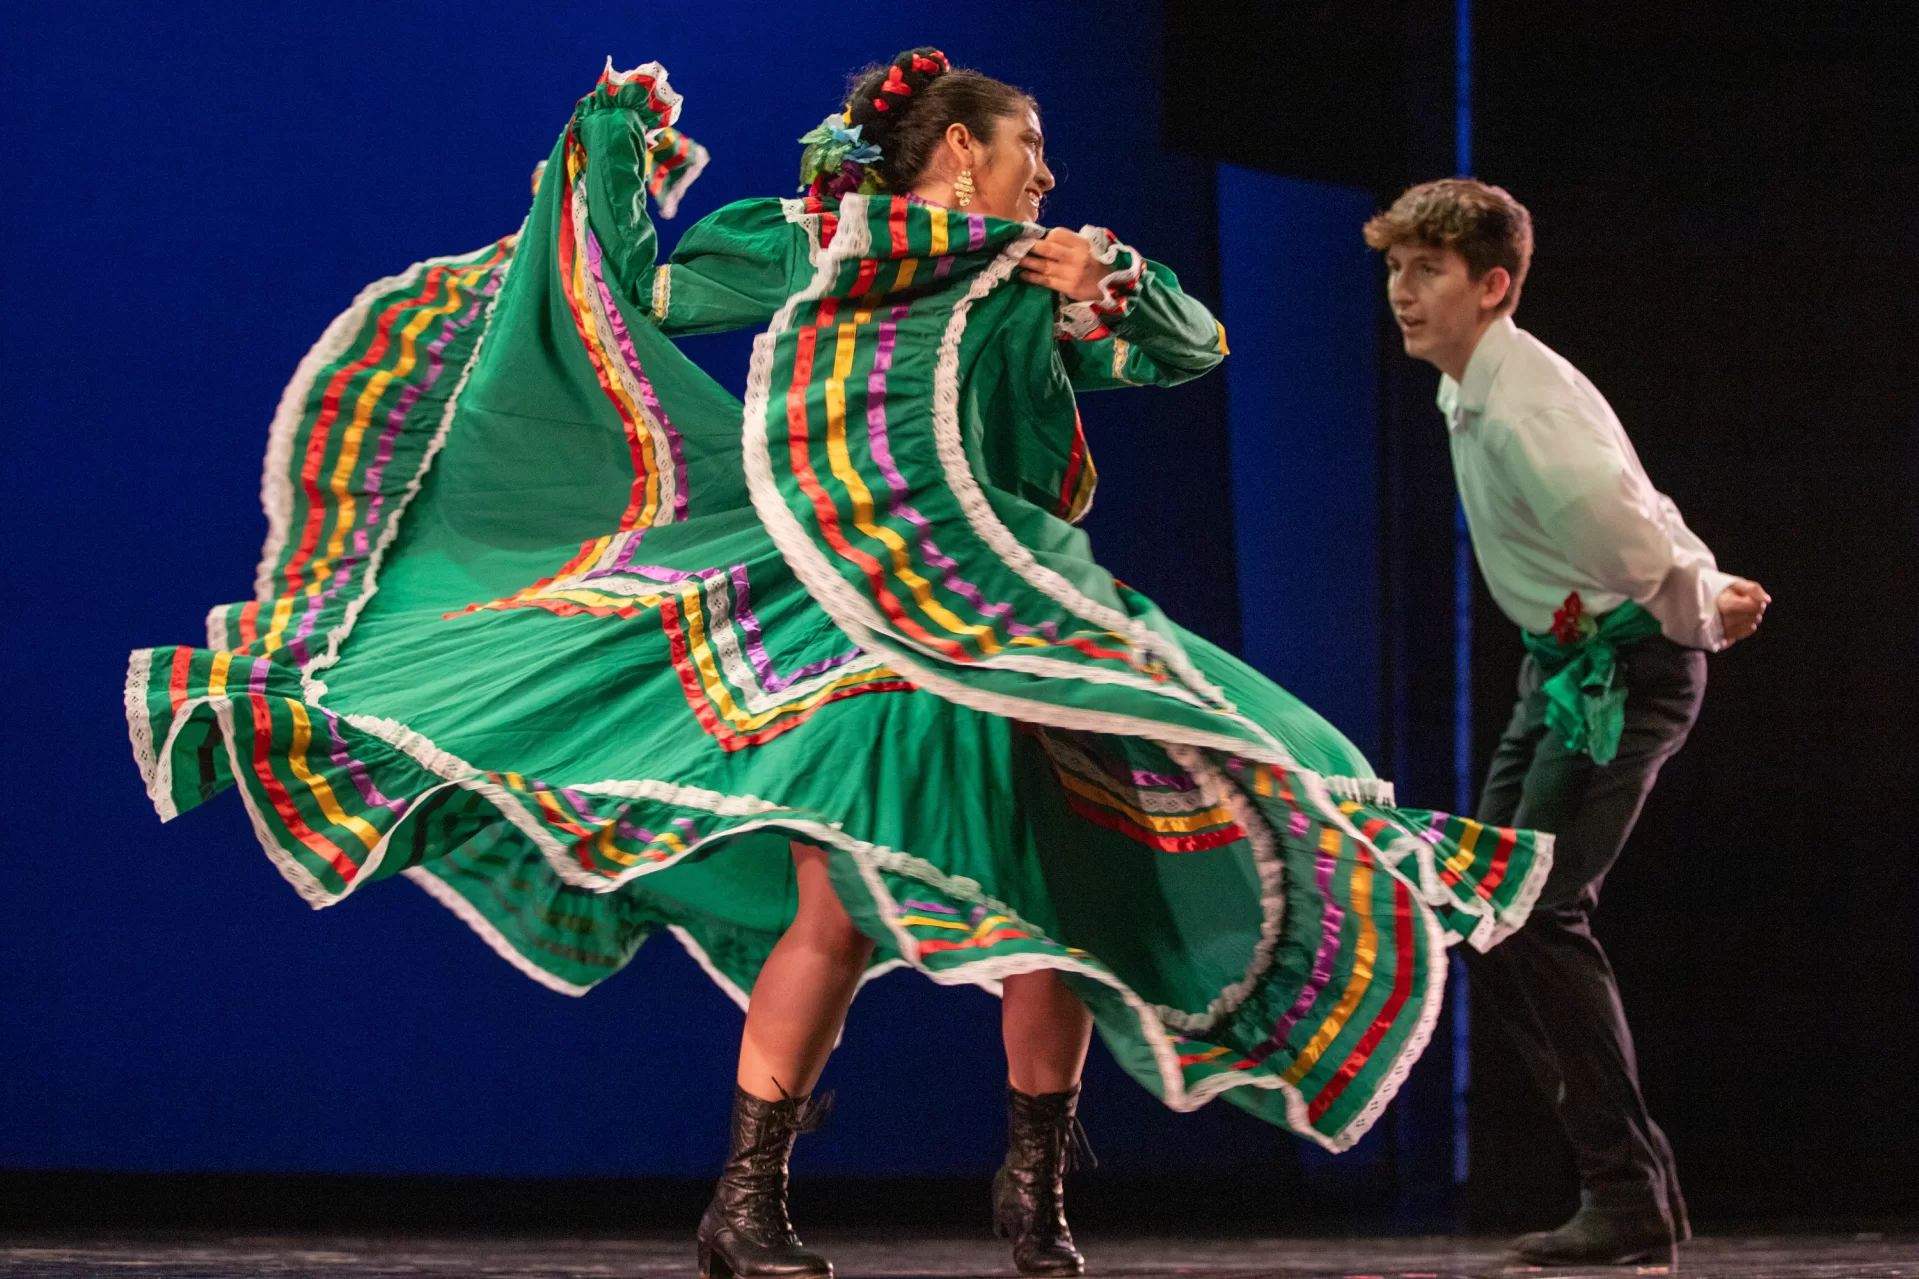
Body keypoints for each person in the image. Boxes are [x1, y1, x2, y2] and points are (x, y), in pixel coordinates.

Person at [126, 53, 1549, 1279]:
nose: (1046, 174)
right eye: (1028, 149)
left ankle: (1033, 1191)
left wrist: (1107, 278)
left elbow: (1188, 346)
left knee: (1047, 884)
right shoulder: (818, 242)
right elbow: (641, 296)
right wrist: (613, 162)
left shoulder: (1030, 277)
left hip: (1012, 617)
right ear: (955, 150)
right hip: (852, 613)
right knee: (834, 894)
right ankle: (746, 1198)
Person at [1365, 179, 1770, 1267]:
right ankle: (1627, 1179)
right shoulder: (1475, 383)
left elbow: (1627, 529)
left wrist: (1702, 596)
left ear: (1491, 285)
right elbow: (1634, 498)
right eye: (1395, 269)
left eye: (1427, 272)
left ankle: (1623, 1189)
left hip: (1622, 669)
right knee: (1480, 907)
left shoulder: (1521, 404)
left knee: (1534, 908)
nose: (1402, 292)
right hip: (1563, 667)